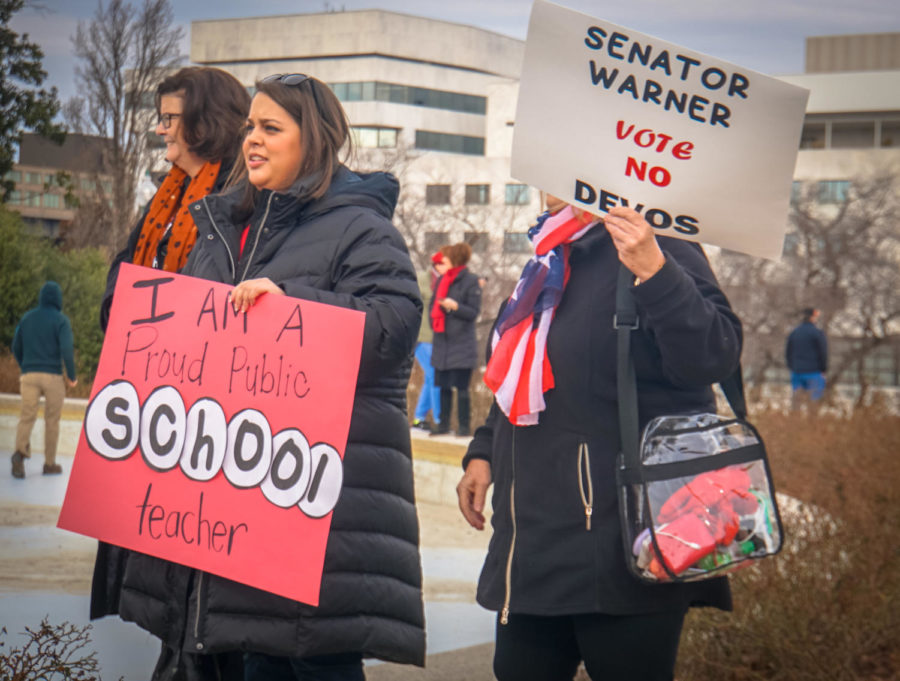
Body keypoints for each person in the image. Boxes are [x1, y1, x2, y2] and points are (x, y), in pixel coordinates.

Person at [93, 72, 425, 681]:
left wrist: (291, 306)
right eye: (250, 126)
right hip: (220, 527)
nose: (253, 140)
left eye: (271, 128)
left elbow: (396, 325)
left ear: (315, 140)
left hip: (311, 523)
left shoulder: (360, 226)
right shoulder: (219, 225)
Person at [456, 195, 742, 681]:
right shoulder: (549, 253)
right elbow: (520, 377)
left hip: (624, 541)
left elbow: (714, 355)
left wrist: (656, 270)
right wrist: (483, 452)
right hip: (532, 545)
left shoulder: (656, 241)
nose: (551, 188)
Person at [99, 66, 251, 329]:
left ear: (206, 123)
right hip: (143, 343)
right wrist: (116, 306)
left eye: (169, 118)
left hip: (193, 350)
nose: (160, 129)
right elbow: (128, 258)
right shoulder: (168, 195)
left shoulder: (242, 199)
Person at [11, 281, 78, 479]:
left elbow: (16, 346)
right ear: (58, 299)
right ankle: (49, 464)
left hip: (29, 376)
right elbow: (66, 349)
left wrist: (25, 365)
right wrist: (71, 376)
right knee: (52, 420)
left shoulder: (27, 318)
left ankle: (19, 455)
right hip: (53, 377)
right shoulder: (61, 320)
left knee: (27, 416)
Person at [429, 242, 482, 437]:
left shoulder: (470, 281)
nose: (441, 262)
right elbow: (432, 307)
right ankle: (442, 425)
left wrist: (456, 307)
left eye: (445, 258)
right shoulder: (443, 279)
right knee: (442, 386)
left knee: (461, 388)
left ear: (455, 259)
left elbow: (474, 312)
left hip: (461, 344)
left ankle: (464, 427)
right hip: (442, 341)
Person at [411, 251, 445, 430]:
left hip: (435, 337)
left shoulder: (446, 281)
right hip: (422, 336)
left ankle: (419, 418)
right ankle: (440, 420)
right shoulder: (423, 279)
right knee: (435, 374)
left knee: (430, 378)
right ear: (437, 265)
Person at [785, 307, 828, 409]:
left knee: (796, 403)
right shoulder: (817, 333)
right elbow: (823, 353)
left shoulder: (794, 333)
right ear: (812, 318)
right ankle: (812, 424)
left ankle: (795, 422)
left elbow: (788, 353)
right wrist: (823, 369)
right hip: (814, 372)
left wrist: (793, 367)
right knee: (814, 404)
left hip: (797, 372)